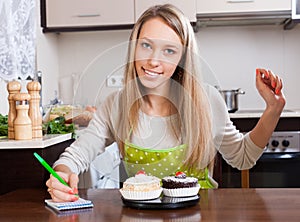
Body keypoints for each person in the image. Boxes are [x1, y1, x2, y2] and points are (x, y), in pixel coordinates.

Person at [46, 4, 285, 202]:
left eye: (169, 51)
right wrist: (62, 173)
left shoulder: (207, 100)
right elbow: (76, 156)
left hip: (200, 214)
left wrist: (273, 110)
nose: (152, 61)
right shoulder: (116, 104)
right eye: (146, 45)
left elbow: (242, 157)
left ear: (183, 58)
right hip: (138, 216)